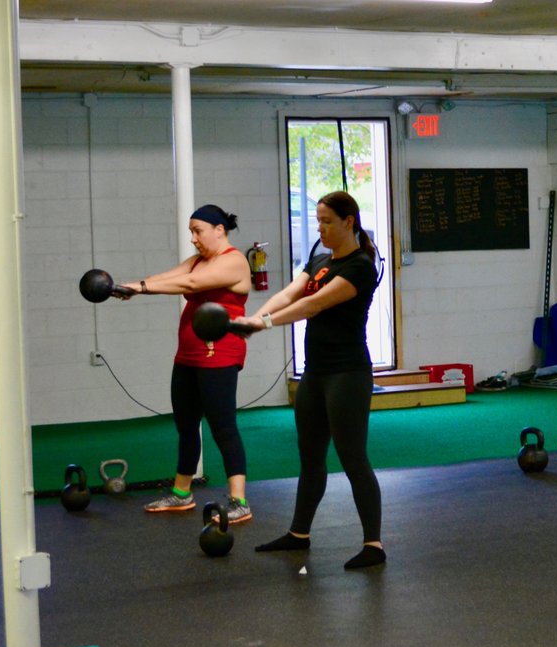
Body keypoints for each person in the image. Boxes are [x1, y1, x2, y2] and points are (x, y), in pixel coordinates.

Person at [239, 190, 386, 570]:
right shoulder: (319, 260)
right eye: (318, 220)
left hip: (347, 374)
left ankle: (373, 544)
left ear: (348, 222)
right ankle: (299, 533)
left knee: (353, 458)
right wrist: (254, 318)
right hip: (316, 374)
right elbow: (291, 293)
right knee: (310, 457)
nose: (319, 228)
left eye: (326, 221)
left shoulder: (360, 266)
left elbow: (313, 304)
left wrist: (263, 324)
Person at [114, 204, 254, 524]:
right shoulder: (198, 260)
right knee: (186, 425)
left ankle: (239, 501)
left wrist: (142, 288)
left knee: (223, 427)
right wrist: (132, 286)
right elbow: (169, 277)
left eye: (198, 231)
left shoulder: (233, 261)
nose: (193, 238)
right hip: (188, 355)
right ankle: (181, 493)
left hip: (219, 354)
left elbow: (191, 285)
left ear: (219, 230)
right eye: (191, 232)